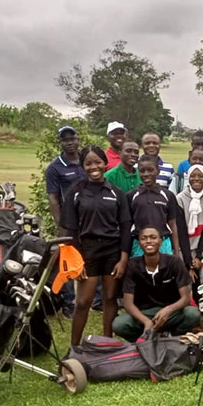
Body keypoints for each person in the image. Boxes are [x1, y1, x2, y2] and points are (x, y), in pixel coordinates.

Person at [59, 146, 131, 346]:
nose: (94, 167)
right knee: (83, 302)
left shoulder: (116, 193)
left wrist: (123, 259)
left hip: (112, 251)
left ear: (105, 163)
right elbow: (71, 231)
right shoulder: (76, 192)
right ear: (83, 166)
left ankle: (107, 342)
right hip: (87, 251)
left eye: (97, 162)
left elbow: (126, 228)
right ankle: (74, 347)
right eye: (88, 163)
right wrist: (77, 261)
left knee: (109, 299)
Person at [113, 227, 201, 341]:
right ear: (139, 243)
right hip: (144, 313)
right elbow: (128, 303)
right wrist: (146, 322)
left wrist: (168, 310)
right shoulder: (132, 265)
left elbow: (185, 298)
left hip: (171, 313)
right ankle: (143, 339)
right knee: (119, 324)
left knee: (193, 314)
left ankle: (172, 337)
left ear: (161, 241)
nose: (148, 241)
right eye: (144, 238)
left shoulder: (174, 262)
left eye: (153, 237)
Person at [44, 125, 85, 317]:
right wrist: (61, 225)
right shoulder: (54, 167)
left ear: (78, 139)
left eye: (73, 138)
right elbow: (53, 198)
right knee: (67, 259)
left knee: (91, 256)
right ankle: (69, 302)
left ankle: (96, 299)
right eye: (65, 139)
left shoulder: (86, 161)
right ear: (60, 142)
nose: (70, 142)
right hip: (69, 221)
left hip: (89, 218)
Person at [129, 155, 181, 257]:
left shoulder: (168, 195)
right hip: (140, 244)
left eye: (150, 170)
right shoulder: (131, 196)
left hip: (163, 243)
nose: (146, 174)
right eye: (142, 171)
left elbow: (172, 224)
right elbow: (127, 225)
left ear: (158, 171)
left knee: (164, 272)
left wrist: (176, 250)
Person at [176, 165, 203, 273]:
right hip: (184, 248)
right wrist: (189, 261)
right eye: (193, 176)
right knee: (186, 281)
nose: (196, 179)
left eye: (200, 176)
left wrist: (199, 257)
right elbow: (181, 232)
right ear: (188, 178)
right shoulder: (179, 199)